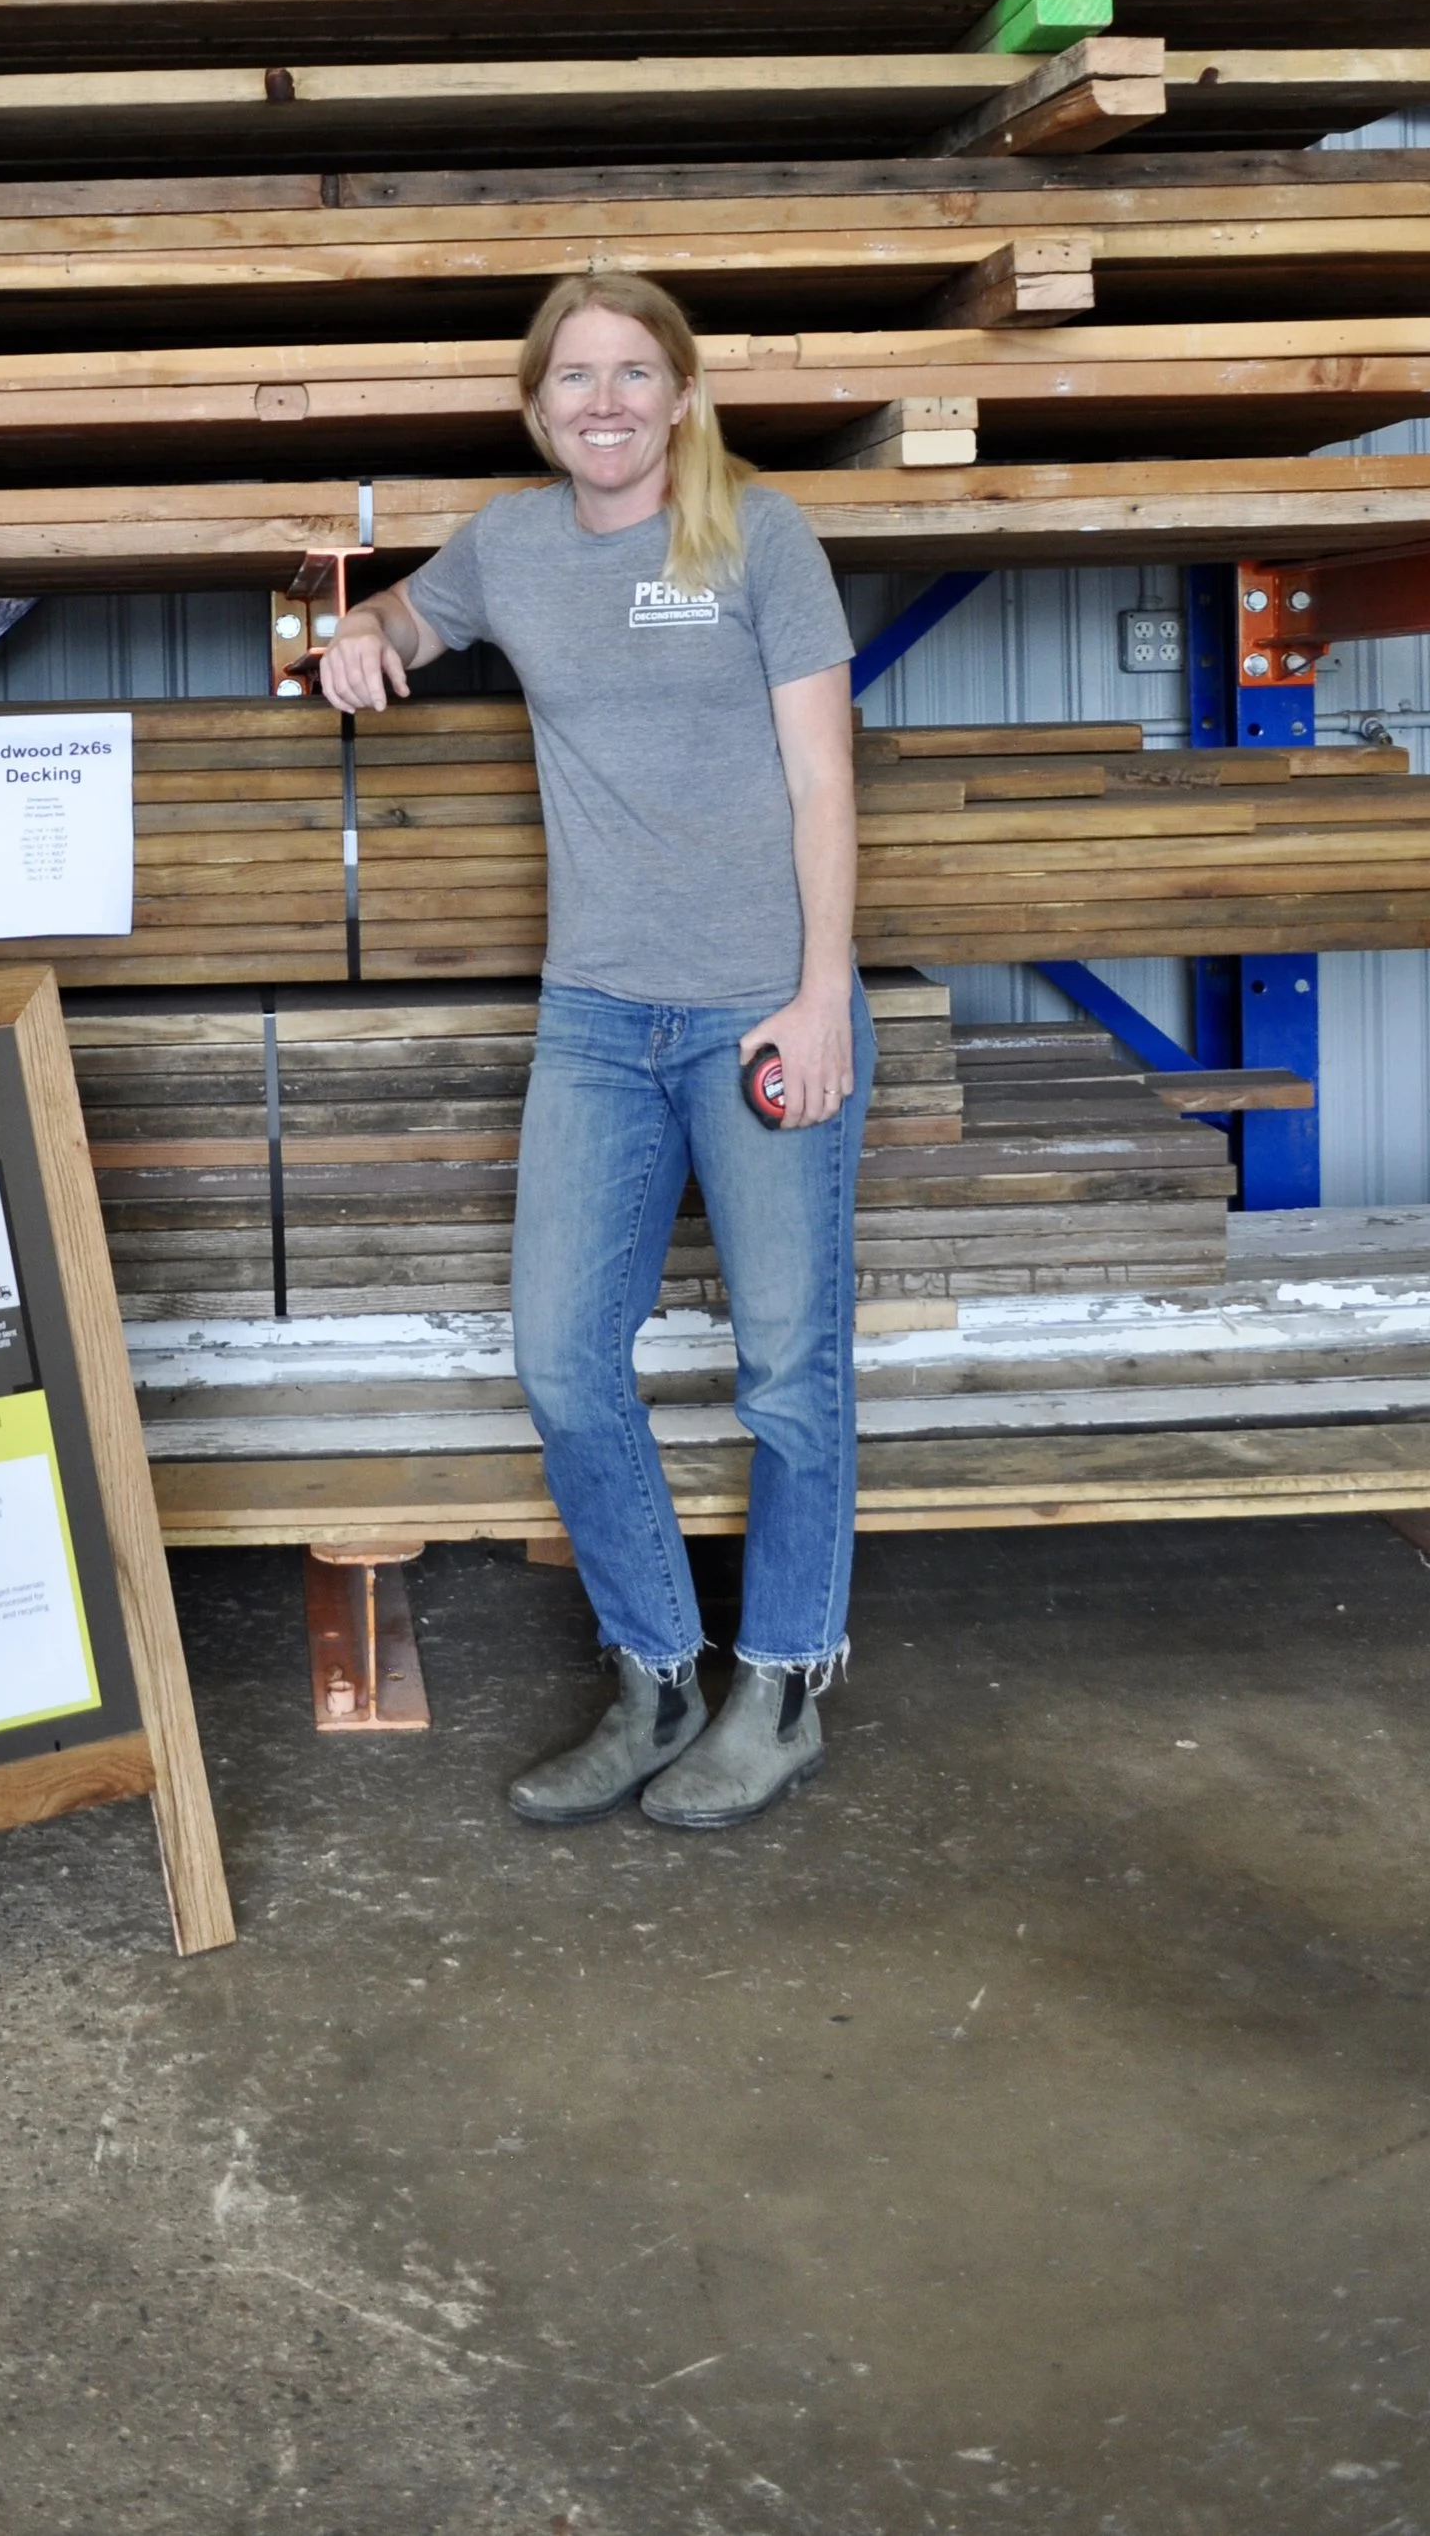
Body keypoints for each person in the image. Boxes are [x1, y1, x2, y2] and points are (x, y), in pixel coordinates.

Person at [317, 272, 870, 1831]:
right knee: (563, 1359)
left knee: (788, 1372)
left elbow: (825, 780)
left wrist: (821, 993)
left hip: (764, 1008)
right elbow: (405, 615)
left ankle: (782, 1686)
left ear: (684, 395)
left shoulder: (759, 537)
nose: (606, 404)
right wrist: (365, 632)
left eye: (636, 375)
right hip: (598, 1022)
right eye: (575, 380)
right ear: (536, 407)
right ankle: (656, 1677)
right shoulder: (509, 545)